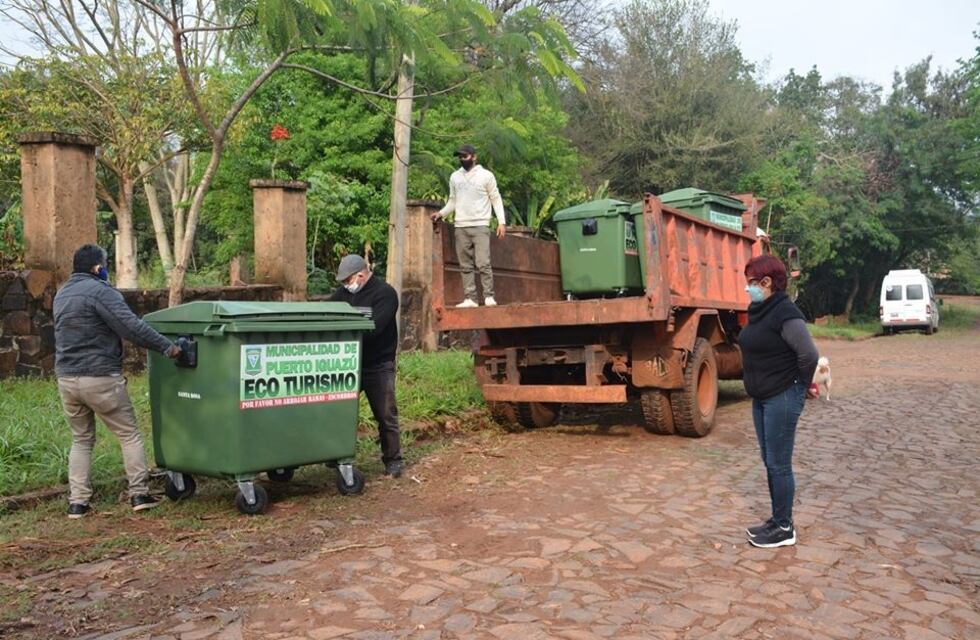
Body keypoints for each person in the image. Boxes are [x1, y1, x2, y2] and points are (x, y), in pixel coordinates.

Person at [54, 244, 181, 519]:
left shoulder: (61, 293)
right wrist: (168, 348)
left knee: (81, 439)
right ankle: (139, 493)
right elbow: (131, 327)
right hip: (99, 377)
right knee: (129, 434)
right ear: (97, 268)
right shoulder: (101, 291)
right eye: (106, 263)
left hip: (66, 379)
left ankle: (78, 503)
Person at [738, 255, 818, 548]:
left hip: (782, 396)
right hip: (761, 398)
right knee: (769, 461)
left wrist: (800, 387)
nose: (748, 289)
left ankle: (785, 528)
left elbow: (808, 354)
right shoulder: (760, 309)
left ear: (767, 282)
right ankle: (777, 518)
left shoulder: (786, 312)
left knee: (779, 464)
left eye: (751, 283)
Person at [329, 254, 404, 478]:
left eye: (347, 280)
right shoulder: (342, 295)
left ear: (361, 275)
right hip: (348, 364)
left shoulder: (385, 294)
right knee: (338, 412)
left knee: (385, 414)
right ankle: (336, 455)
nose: (345, 286)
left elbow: (375, 328)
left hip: (378, 364)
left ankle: (393, 460)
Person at [430, 143, 507, 308]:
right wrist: (441, 214)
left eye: (465, 156)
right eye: (460, 157)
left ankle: (488, 296)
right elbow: (453, 201)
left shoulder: (486, 176)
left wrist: (501, 222)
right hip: (461, 225)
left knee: (483, 262)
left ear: (474, 156)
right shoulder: (455, 177)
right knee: (465, 264)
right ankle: (470, 298)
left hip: (480, 224)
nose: (462, 159)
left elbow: (495, 198)